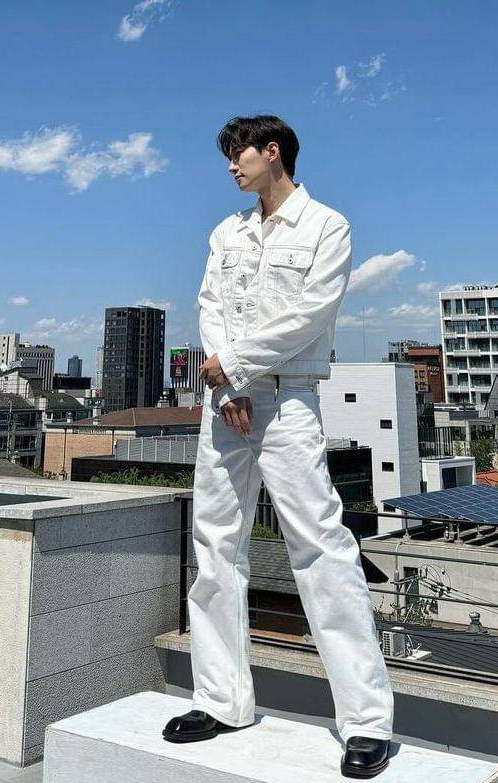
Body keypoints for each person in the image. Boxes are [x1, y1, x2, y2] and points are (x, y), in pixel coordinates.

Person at [162, 115, 394, 778]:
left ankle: (366, 721)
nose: (231, 166)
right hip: (224, 401)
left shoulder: (326, 226)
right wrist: (225, 381)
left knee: (320, 547)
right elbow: (210, 306)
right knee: (215, 545)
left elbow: (310, 315)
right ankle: (221, 700)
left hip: (288, 400)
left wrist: (235, 368)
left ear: (273, 152)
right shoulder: (225, 232)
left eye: (238, 153)